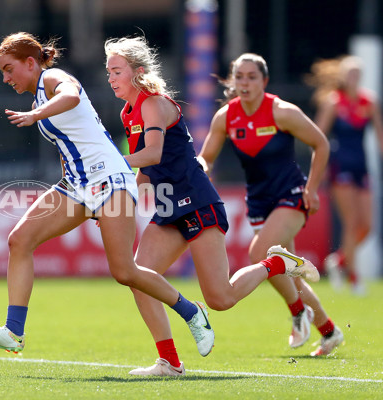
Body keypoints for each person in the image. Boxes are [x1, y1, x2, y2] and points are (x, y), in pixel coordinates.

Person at [0, 31, 255, 359]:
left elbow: (72, 95)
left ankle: (191, 312)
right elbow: (73, 147)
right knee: (19, 240)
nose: (5, 78)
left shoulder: (53, 78)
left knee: (124, 271)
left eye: (8, 69)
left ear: (30, 63)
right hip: (78, 183)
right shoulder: (41, 100)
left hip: (109, 179)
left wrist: (35, 116)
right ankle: (13, 331)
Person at [105, 38, 320, 377]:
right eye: (109, 72)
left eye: (117, 71)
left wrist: (111, 164)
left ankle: (276, 263)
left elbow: (154, 154)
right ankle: (170, 363)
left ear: (139, 72)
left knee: (221, 299)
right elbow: (145, 171)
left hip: (198, 203)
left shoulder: (154, 104)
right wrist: (119, 200)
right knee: (137, 277)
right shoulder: (128, 112)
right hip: (168, 208)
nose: (111, 78)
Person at [199, 53, 344, 358]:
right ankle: (329, 331)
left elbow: (321, 144)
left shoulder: (282, 111)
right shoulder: (226, 116)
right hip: (259, 202)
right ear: (232, 80)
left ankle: (297, 313)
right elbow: (206, 157)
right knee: (286, 270)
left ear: (264, 81)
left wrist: (313, 188)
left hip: (292, 195)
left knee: (260, 254)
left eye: (252, 77)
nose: (245, 82)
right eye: (240, 76)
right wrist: (199, 168)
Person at [307, 55, 383, 296]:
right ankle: (353, 277)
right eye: (350, 73)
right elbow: (317, 136)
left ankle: (339, 261)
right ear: (342, 76)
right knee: (351, 223)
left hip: (362, 166)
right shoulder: (333, 102)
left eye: (357, 73)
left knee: (367, 226)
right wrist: (317, 167)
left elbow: (380, 137)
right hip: (340, 167)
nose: (354, 77)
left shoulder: (369, 101)